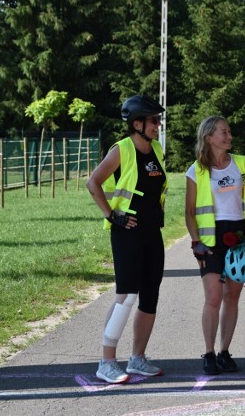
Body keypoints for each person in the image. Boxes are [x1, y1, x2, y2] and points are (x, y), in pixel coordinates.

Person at [86, 95, 168, 384]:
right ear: (137, 123)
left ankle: (137, 359)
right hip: (127, 233)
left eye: (159, 120)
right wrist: (112, 215)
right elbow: (92, 182)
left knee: (150, 297)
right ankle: (106, 361)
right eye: (154, 120)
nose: (159, 125)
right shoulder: (121, 150)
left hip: (152, 233)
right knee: (126, 296)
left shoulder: (156, 149)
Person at [185, 116, 245, 375]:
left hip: (238, 234)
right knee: (214, 298)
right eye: (224, 132)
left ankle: (225, 351)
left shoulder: (242, 163)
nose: (229, 136)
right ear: (209, 137)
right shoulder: (197, 170)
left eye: (229, 132)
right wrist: (196, 242)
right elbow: (190, 211)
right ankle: (208, 353)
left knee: (232, 296)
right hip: (210, 239)